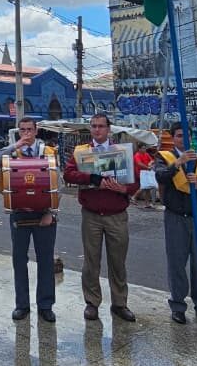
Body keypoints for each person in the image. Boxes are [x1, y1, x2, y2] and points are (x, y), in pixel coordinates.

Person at [63, 113, 139, 322]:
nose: (97, 130)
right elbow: (68, 174)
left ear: (108, 129)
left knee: (118, 262)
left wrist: (123, 188)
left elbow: (135, 181)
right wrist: (92, 178)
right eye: (93, 126)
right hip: (91, 215)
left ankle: (120, 303)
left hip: (117, 215)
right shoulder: (82, 152)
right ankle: (92, 303)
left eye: (101, 126)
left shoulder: (121, 152)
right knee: (91, 262)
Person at [0, 117, 58, 322]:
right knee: (19, 260)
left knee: (45, 260)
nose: (26, 133)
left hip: (44, 213)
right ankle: (22, 305)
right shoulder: (12, 152)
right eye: (22, 130)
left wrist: (51, 213)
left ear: (36, 131)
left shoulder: (49, 153)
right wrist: (14, 145)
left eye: (29, 129)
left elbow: (57, 184)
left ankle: (46, 305)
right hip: (19, 212)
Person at [154, 123, 197, 326]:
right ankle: (177, 306)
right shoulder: (165, 158)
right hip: (176, 216)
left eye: (186, 135)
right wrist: (177, 164)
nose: (182, 139)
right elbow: (160, 176)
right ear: (173, 138)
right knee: (177, 263)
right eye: (178, 136)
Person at [132, 143, 156, 209]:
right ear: (139, 149)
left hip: (146, 172)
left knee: (147, 188)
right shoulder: (137, 155)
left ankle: (146, 203)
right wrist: (147, 167)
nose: (144, 149)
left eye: (145, 148)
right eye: (143, 148)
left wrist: (150, 163)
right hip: (140, 172)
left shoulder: (146, 154)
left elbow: (152, 160)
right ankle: (134, 197)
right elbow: (139, 164)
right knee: (145, 186)